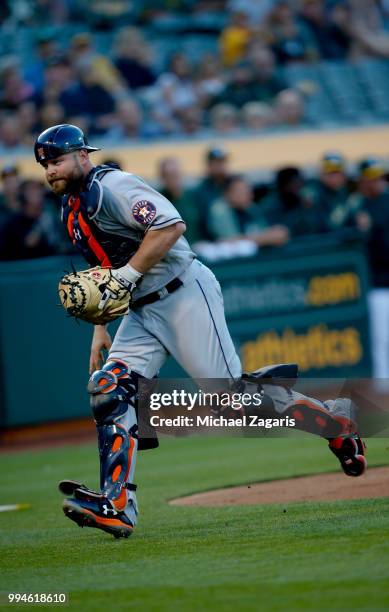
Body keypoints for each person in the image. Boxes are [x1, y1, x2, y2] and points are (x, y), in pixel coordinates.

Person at [34, 124, 367, 539]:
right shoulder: (71, 207)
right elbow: (107, 270)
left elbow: (171, 226)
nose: (50, 169)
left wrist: (127, 277)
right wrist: (101, 327)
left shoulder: (112, 187)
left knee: (234, 401)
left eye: (58, 159)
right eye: (45, 163)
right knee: (108, 388)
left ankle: (336, 423)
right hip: (141, 310)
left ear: (83, 155)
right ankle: (117, 504)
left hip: (183, 294)